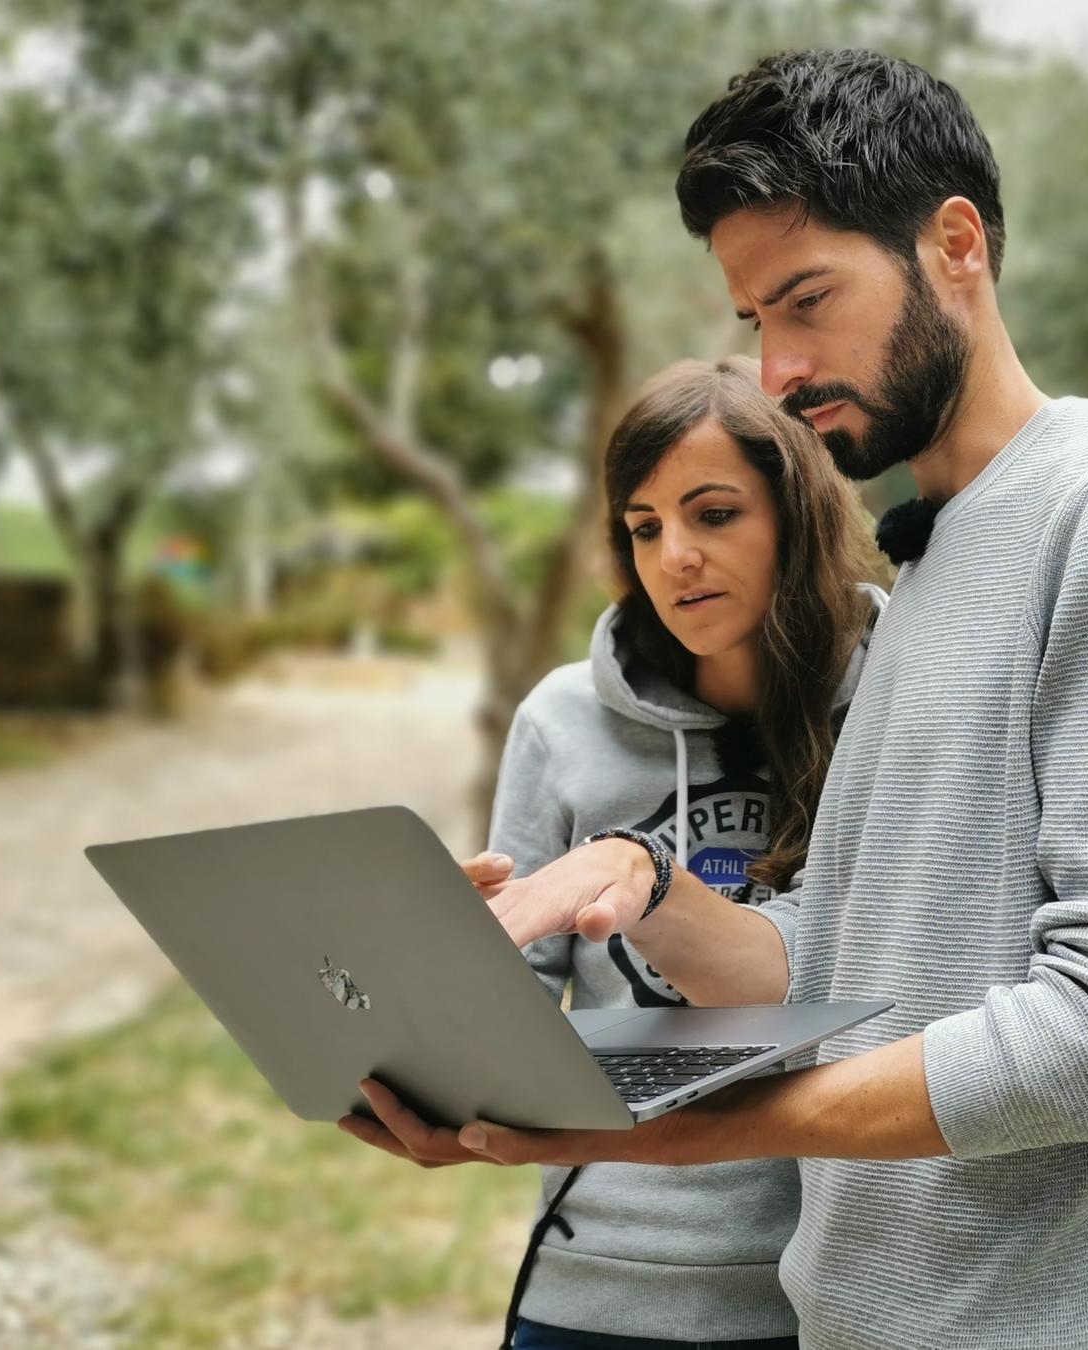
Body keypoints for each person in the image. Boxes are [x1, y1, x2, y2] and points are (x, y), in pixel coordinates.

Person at [348, 48, 1088, 1350]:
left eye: (808, 301)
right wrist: (626, 881)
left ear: (955, 243)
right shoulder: (934, 559)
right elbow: (829, 962)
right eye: (755, 323)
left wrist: (684, 1132)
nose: (778, 371)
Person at [384, 355, 885, 1350]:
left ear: (799, 512)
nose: (675, 558)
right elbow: (511, 1017)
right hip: (592, 1287)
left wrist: (641, 877)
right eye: (645, 527)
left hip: (823, 1290)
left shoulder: (899, 705)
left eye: (714, 514)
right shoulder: (562, 721)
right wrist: (430, 984)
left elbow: (871, 975)